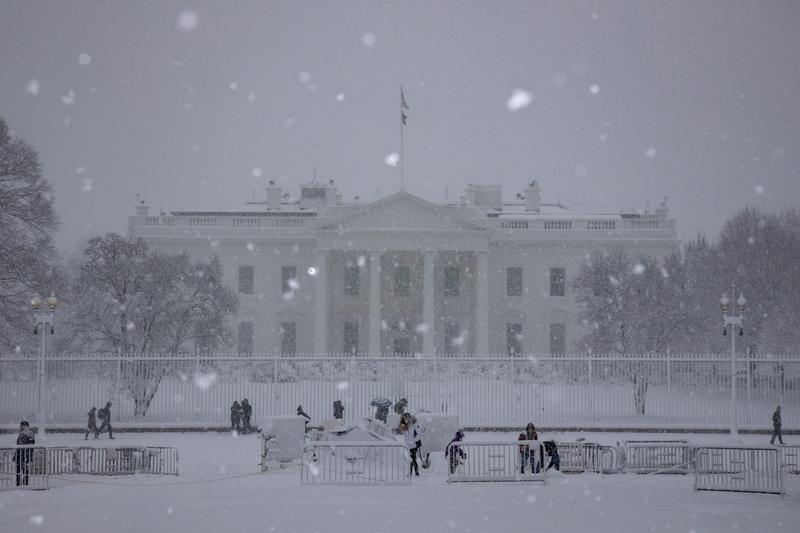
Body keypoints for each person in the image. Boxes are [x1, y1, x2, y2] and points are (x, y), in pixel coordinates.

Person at [15, 420, 35, 486]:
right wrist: (15, 455)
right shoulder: (21, 434)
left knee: (25, 471)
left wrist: (28, 456)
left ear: (27, 426)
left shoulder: (30, 434)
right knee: (18, 471)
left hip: (25, 456)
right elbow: (18, 445)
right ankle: (18, 484)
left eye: (23, 425)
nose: (21, 427)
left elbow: (31, 446)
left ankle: (25, 484)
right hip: (19, 455)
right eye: (21, 425)